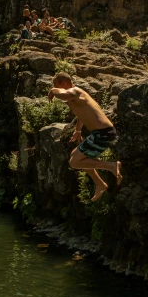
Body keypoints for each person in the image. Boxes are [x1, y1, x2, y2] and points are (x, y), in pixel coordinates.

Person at [48, 72, 122, 201]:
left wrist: (53, 90)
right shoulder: (77, 97)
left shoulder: (75, 91)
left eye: (58, 86)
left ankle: (111, 166)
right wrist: (78, 131)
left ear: (63, 84)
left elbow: (62, 95)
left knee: (74, 162)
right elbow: (81, 114)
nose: (57, 89)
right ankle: (100, 184)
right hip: (101, 133)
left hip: (103, 134)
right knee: (75, 155)